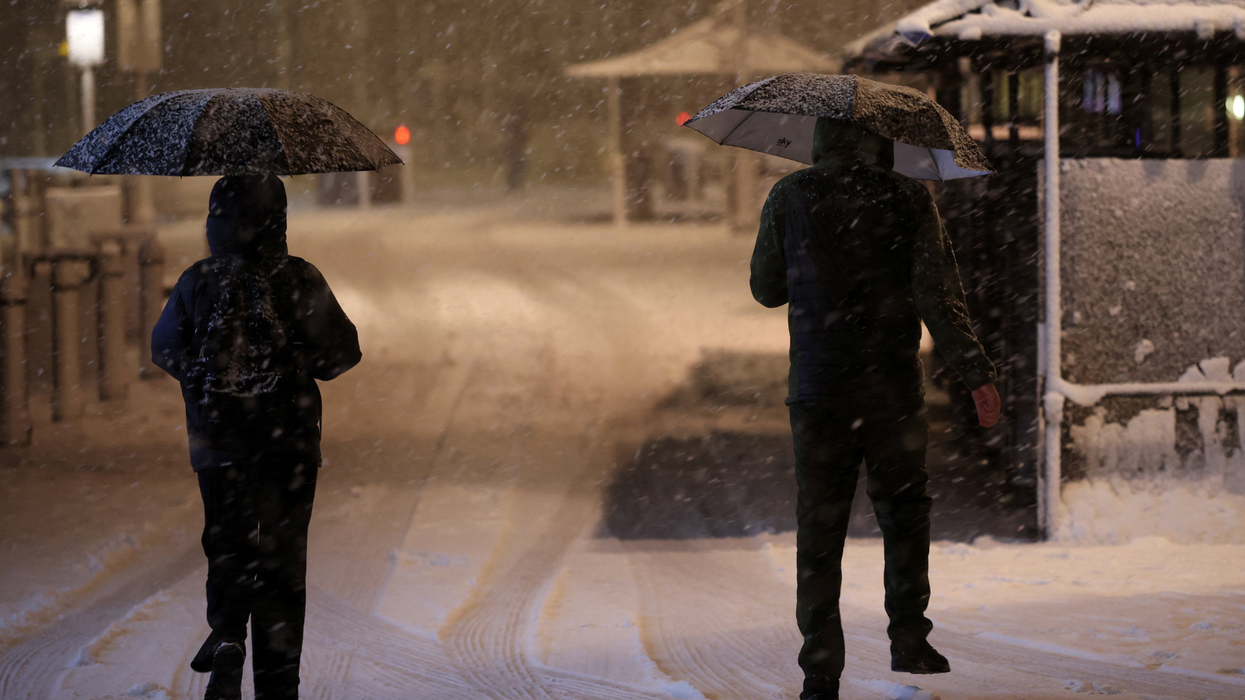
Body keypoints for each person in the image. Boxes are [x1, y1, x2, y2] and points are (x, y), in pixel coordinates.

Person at [749, 118, 1002, 700]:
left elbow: (766, 289)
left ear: (819, 138)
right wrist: (975, 374)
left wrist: (809, 256)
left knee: (820, 527)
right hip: (890, 388)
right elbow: (938, 293)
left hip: (818, 387)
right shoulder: (908, 196)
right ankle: (909, 638)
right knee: (906, 513)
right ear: (883, 140)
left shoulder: (790, 194)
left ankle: (819, 670)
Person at [152, 174, 361, 700]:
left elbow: (165, 350)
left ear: (213, 222)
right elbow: (340, 355)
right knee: (282, 562)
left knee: (227, 546)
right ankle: (277, 683)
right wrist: (293, 359)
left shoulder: (197, 280)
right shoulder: (298, 278)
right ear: (281, 221)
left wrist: (214, 384)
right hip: (287, 446)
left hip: (219, 446)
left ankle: (226, 639)